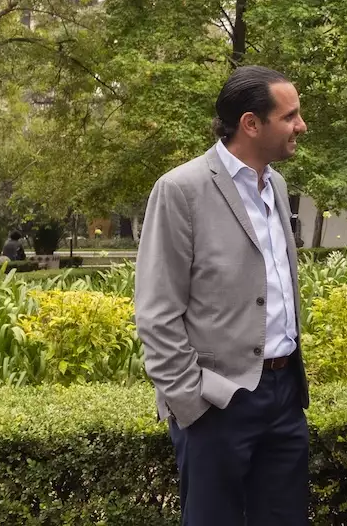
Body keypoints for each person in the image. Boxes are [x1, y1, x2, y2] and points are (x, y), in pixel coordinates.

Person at [135, 66, 310, 526]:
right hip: (217, 402)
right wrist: (190, 401)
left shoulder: (276, 184)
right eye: (290, 116)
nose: (301, 126)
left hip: (285, 393)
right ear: (251, 124)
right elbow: (156, 312)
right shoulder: (181, 190)